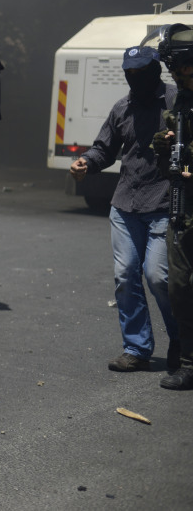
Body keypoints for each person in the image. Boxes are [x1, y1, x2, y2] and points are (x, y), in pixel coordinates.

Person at [70, 45, 179, 374]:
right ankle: (136, 348)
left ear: (155, 70)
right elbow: (104, 148)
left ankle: (183, 342)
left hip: (164, 202)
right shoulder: (122, 108)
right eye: (128, 73)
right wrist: (85, 163)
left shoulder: (178, 102)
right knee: (125, 274)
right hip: (126, 204)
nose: (134, 78)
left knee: (159, 276)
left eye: (140, 72)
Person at [152, 22, 193, 390]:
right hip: (183, 210)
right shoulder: (179, 103)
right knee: (179, 286)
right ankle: (189, 361)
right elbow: (166, 162)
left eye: (181, 65)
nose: (177, 73)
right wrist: (163, 146)